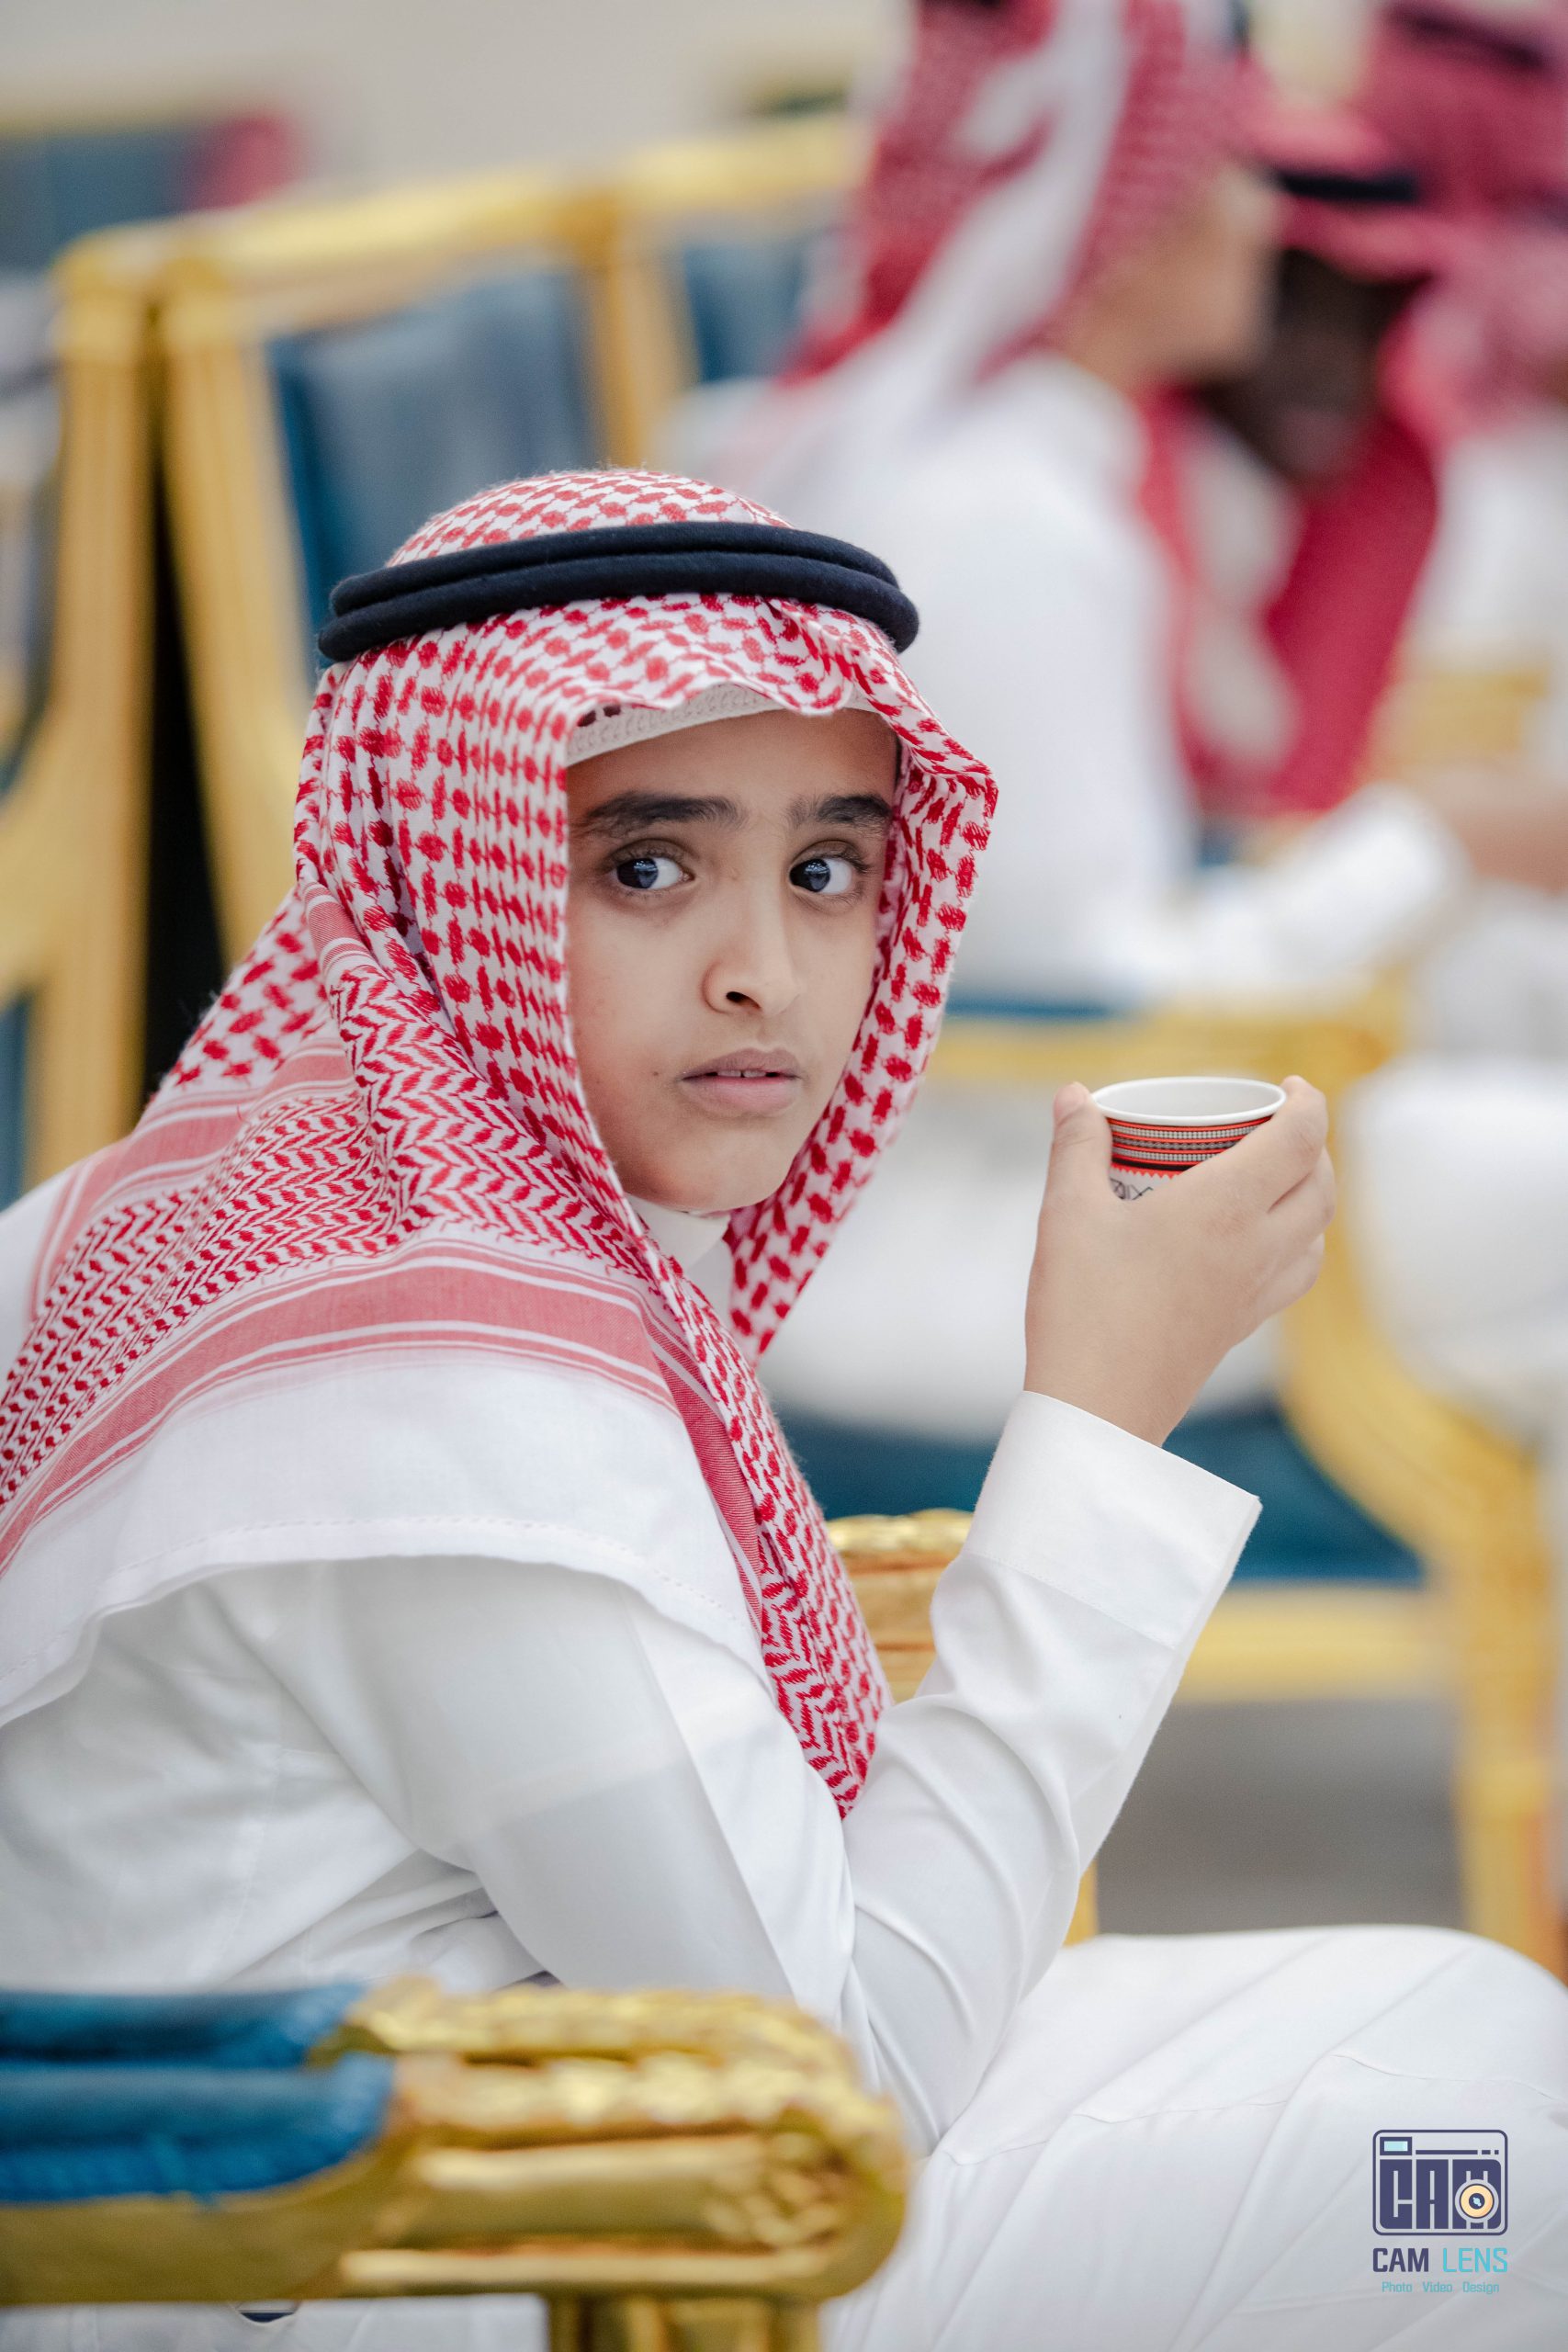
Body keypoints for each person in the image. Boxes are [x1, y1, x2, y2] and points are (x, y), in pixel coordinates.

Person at [1, 466, 1564, 2349]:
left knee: (1477, 2040)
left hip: (534, 2114)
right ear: (440, 869)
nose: (765, 971)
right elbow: (823, 2094)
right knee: (1473, 2176)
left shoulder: (249, 1191)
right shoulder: (426, 1390)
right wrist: (1100, 1418)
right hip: (418, 2256)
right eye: (647, 867)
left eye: (826, 869)